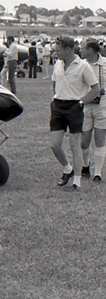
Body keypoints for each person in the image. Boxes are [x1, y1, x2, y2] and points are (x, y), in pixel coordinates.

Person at [50, 36, 99, 189]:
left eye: (58, 50)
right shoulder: (58, 64)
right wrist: (54, 98)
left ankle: (77, 180)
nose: (55, 53)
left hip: (74, 107)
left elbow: (95, 89)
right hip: (58, 105)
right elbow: (54, 83)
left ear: (68, 49)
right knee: (55, 144)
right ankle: (67, 168)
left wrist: (82, 102)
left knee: (74, 144)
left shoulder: (83, 66)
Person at [80, 39, 106, 181]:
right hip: (86, 105)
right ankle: (85, 165)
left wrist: (103, 91)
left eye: (83, 48)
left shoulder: (104, 64)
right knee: (84, 140)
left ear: (90, 50)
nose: (80, 50)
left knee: (100, 139)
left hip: (102, 105)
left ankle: (98, 173)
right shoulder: (81, 65)